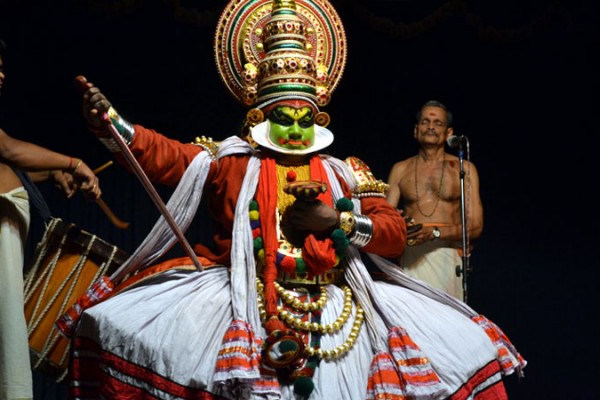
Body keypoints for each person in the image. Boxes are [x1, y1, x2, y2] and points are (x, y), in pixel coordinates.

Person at [66, 1, 524, 399]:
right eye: (283, 118)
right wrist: (112, 123)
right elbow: (165, 157)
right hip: (245, 302)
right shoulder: (231, 161)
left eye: (305, 119)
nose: (294, 130)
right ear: (260, 115)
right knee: (121, 325)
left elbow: (395, 233)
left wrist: (339, 223)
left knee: (459, 342)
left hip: (336, 302)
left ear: (318, 116)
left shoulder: (344, 172)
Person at [0, 28, 101, 400]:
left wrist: (51, 172)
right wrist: (73, 162)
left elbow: (2, 169)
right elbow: (10, 151)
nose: (1, 76)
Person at [386, 100, 483, 301]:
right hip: (410, 260)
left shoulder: (463, 169)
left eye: (438, 123)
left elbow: (475, 227)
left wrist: (434, 233)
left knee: (445, 326)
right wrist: (396, 223)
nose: (431, 126)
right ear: (416, 130)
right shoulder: (400, 170)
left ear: (449, 133)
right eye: (425, 122)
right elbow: (385, 221)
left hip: (447, 259)